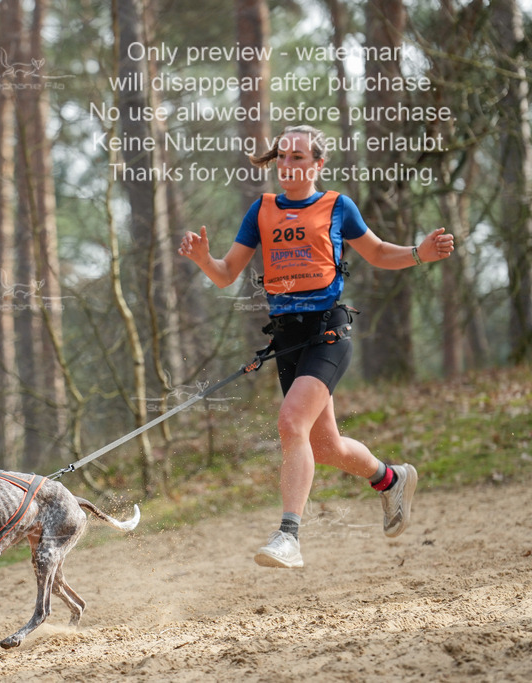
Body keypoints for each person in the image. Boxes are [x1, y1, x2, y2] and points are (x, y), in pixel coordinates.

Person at [178, 124, 455, 569]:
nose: (287, 165)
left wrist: (419, 253)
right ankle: (391, 479)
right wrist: (201, 259)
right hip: (286, 338)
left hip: (329, 331)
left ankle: (289, 535)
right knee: (324, 447)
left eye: (298, 158)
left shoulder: (337, 206)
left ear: (318, 165)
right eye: (282, 157)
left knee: (290, 423)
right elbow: (226, 273)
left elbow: (380, 253)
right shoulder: (262, 210)